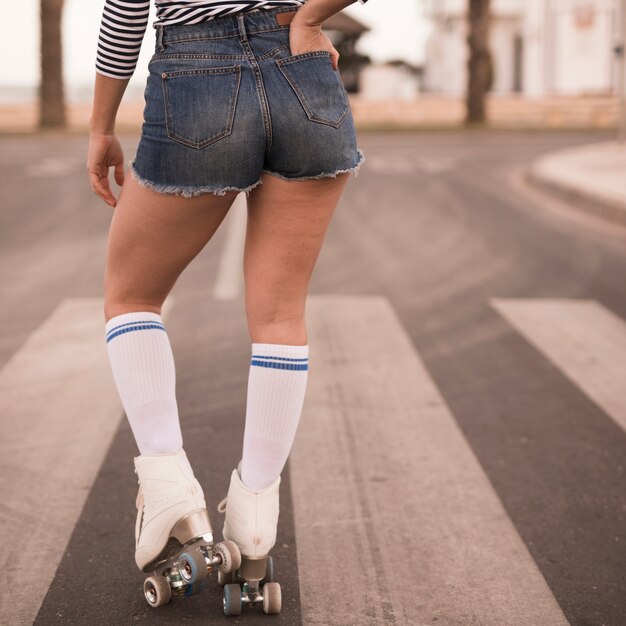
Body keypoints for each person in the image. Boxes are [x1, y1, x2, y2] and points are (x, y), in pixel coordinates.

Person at [87, 0, 368, 614]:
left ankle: (166, 485)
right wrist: (308, 17)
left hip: (197, 72)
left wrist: (100, 125)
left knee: (131, 295)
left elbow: (124, 12)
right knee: (280, 315)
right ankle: (256, 515)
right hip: (303, 73)